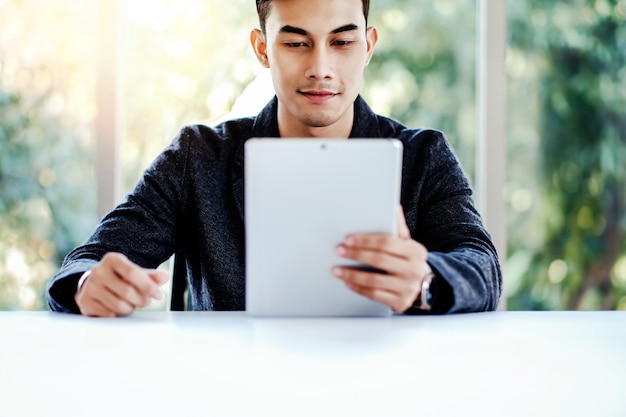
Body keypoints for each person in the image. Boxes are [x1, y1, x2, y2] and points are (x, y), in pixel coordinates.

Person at [47, 0, 502, 317]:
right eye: (296, 42)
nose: (320, 67)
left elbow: (483, 267)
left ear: (368, 45)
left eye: (341, 42)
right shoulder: (198, 157)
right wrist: (89, 286)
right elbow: (86, 261)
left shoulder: (423, 156)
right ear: (263, 48)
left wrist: (425, 281)